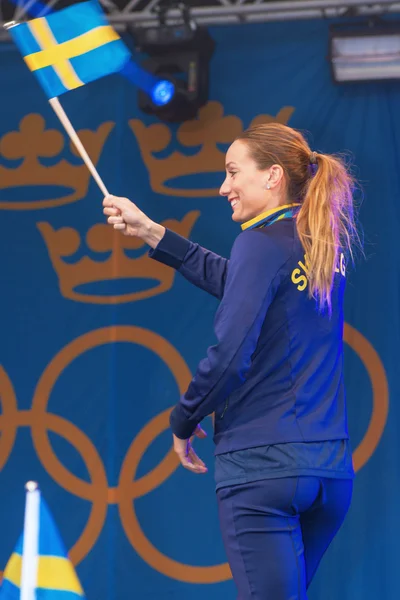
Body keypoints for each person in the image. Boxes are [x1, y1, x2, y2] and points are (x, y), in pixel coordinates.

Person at [103, 122, 359, 600]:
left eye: (232, 172)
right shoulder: (321, 246)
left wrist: (183, 419)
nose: (223, 187)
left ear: (273, 176)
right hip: (329, 474)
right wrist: (151, 232)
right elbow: (242, 281)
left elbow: (230, 358)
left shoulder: (260, 244)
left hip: (264, 470)